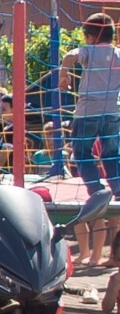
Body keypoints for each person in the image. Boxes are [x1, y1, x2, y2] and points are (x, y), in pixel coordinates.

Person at [62, 12, 120, 199]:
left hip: (87, 112)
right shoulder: (118, 54)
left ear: (91, 37)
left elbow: (70, 55)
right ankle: (118, 188)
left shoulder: (89, 50)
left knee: (81, 152)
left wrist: (64, 74)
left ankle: (96, 190)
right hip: (111, 112)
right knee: (111, 153)